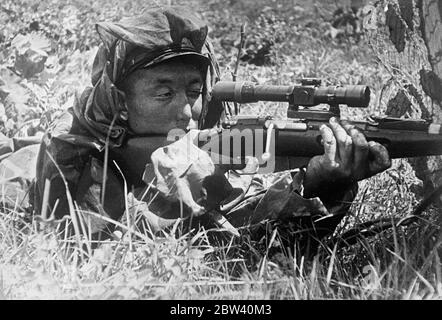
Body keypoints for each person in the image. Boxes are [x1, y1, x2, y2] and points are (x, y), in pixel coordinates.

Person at [0, 6, 391, 255]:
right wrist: (187, 181)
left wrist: (322, 182)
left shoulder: (215, 145)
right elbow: (122, 248)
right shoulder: (75, 153)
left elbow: (266, 234)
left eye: (193, 91)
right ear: (119, 101)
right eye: (164, 93)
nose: (186, 111)